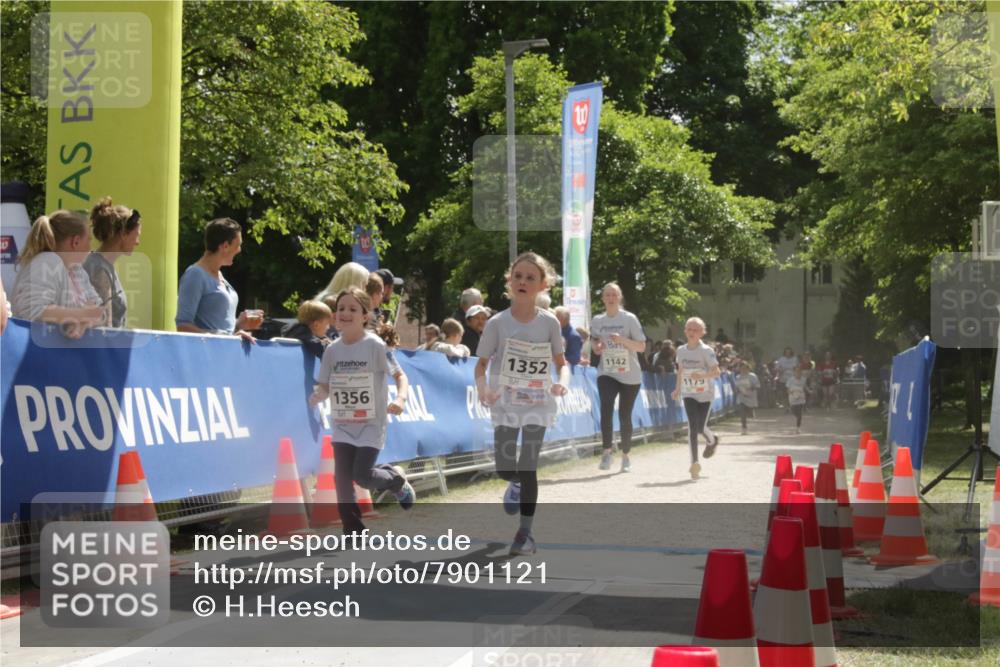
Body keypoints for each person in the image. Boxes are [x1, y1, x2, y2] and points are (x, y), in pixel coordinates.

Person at [475, 251, 569, 556]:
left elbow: (562, 363)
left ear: (543, 285)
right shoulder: (497, 323)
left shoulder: (550, 323)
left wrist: (561, 383)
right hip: (505, 404)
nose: (523, 282)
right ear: (509, 282)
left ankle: (525, 533)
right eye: (518, 276)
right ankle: (513, 481)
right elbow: (481, 365)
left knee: (528, 466)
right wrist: (483, 389)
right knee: (505, 468)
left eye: (531, 277)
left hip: (538, 405)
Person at [309, 287, 415, 535]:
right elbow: (325, 384)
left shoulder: (375, 345)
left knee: (362, 476)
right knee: (342, 479)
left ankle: (395, 479)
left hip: (371, 423)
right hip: (343, 424)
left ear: (365, 316)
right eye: (341, 308)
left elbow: (400, 375)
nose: (345, 313)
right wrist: (319, 395)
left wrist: (400, 398)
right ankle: (353, 530)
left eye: (352, 309)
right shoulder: (332, 350)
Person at [11, 211, 106, 338]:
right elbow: (32, 310)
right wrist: (80, 315)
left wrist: (83, 322)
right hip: (35, 354)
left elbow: (100, 312)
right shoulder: (47, 261)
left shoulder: (78, 271)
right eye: (88, 239)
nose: (91, 247)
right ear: (76, 242)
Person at [590, 282, 646, 473]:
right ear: (603, 298)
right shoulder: (597, 320)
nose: (611, 298)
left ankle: (626, 455)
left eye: (614, 294)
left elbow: (641, 347)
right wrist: (596, 347)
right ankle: (606, 452)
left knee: (624, 415)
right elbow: (595, 342)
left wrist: (621, 340)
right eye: (607, 295)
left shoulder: (629, 319)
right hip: (607, 371)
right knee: (606, 407)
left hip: (630, 374)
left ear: (620, 297)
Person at [175, 218, 262, 340]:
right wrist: (227, 338)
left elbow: (220, 329)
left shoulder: (219, 274)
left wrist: (239, 325)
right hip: (206, 356)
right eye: (238, 245)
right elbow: (183, 326)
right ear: (225, 246)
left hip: (222, 354)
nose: (240, 250)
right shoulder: (195, 275)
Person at [671, 317, 721, 480]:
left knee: (700, 427)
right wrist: (678, 389)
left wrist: (703, 375)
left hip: (705, 394)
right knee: (693, 428)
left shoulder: (707, 351)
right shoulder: (681, 350)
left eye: (695, 330)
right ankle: (694, 463)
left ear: (702, 332)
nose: (692, 332)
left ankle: (712, 441)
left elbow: (717, 372)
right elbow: (680, 371)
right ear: (685, 331)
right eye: (689, 329)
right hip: (689, 393)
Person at [83, 196, 140, 328]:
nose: (138, 242)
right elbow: (104, 328)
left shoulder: (103, 266)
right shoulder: (98, 269)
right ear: (124, 234)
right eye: (136, 235)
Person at [734, 361, 760, 435]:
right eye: (742, 368)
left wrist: (750, 388)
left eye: (745, 368)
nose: (743, 370)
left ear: (748, 369)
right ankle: (744, 427)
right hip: (742, 397)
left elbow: (757, 385)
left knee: (749, 411)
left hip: (750, 396)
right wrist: (738, 390)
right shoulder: (738, 377)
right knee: (742, 412)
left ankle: (751, 411)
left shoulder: (753, 376)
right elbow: (736, 387)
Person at [787, 365, 808, 434]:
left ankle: (798, 428)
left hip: (801, 398)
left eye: (799, 371)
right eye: (796, 371)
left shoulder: (803, 379)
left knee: (799, 414)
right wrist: (792, 393)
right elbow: (788, 389)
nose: (798, 372)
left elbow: (805, 387)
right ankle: (797, 416)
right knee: (794, 411)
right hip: (793, 398)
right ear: (794, 372)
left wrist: (809, 391)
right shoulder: (790, 380)